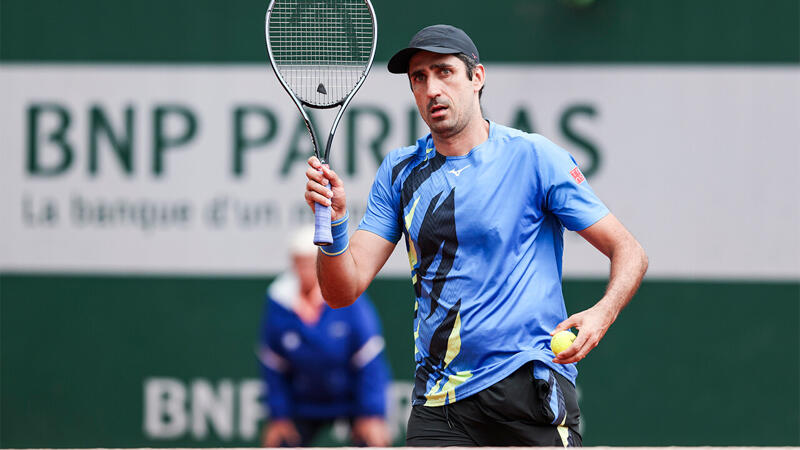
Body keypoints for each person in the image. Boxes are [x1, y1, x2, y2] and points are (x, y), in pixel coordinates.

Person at [303, 24, 648, 447]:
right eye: (419, 77)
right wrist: (334, 224)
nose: (431, 89)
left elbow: (629, 251)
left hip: (527, 386)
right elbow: (342, 289)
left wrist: (602, 312)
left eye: (444, 72)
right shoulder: (399, 171)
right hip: (439, 403)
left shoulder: (534, 157)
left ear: (477, 77)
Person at [257, 226, 391, 447]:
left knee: (374, 440)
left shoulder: (347, 294)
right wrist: (278, 416)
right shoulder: (278, 303)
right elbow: (273, 367)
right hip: (302, 405)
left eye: (311, 262)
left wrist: (372, 413)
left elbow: (369, 360)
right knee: (278, 441)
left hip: (351, 401)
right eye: (299, 262)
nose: (305, 269)